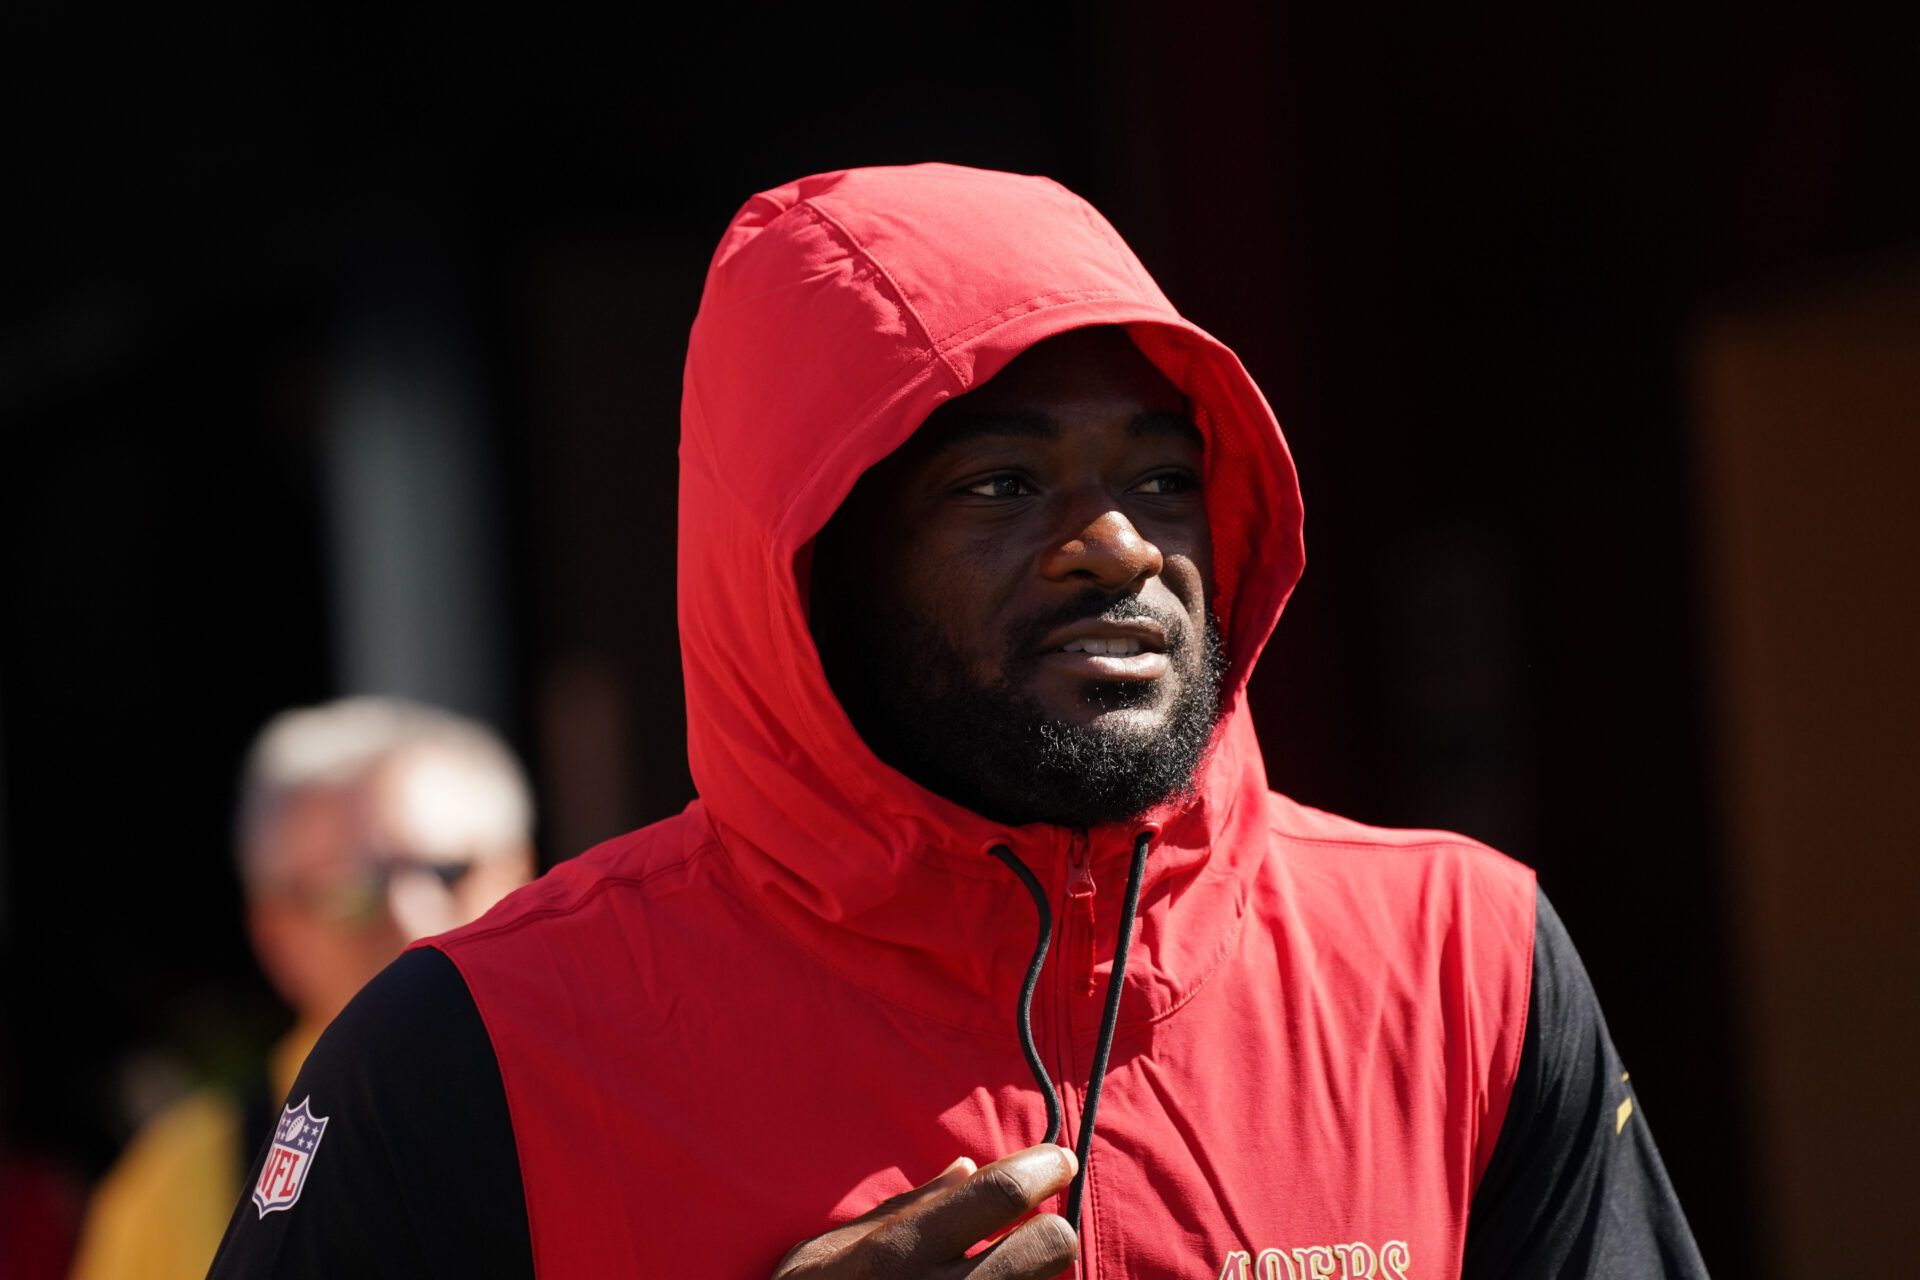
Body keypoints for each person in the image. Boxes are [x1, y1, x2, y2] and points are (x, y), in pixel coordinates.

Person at [207, 164, 1707, 1279]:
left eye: (1164, 476)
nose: (1121, 547)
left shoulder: (1461, 960)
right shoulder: (468, 1051)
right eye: (1001, 486)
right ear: (808, 566)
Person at [70, 698, 535, 1280]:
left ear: (525, 882)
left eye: (449, 872)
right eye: (349, 891)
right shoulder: (180, 1185)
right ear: (274, 934)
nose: (413, 917)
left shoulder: (606, 1104)